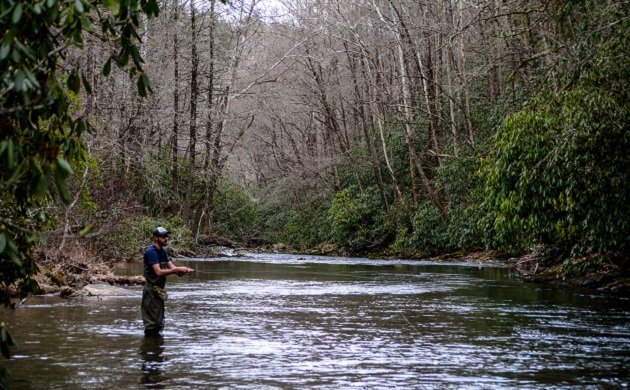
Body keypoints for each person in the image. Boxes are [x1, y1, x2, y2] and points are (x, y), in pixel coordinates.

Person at [141, 226, 193, 336]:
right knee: (152, 324)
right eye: (163, 236)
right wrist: (177, 269)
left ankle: (156, 348)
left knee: (159, 322)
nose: (166, 238)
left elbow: (172, 267)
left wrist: (183, 271)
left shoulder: (163, 252)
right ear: (156, 238)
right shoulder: (151, 252)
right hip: (151, 292)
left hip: (159, 292)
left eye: (166, 236)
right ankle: (149, 348)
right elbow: (158, 272)